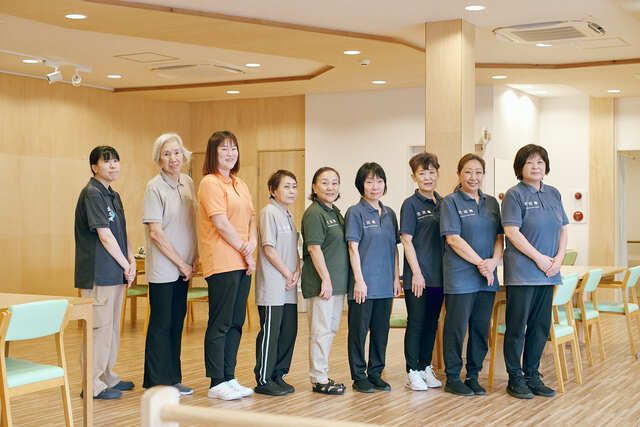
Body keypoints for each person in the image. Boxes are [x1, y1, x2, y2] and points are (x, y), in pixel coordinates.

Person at [502, 144, 568, 399]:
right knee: (517, 327)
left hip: (549, 273)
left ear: (546, 166)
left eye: (540, 162)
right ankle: (515, 378)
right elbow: (512, 232)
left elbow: (563, 229)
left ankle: (532, 375)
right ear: (520, 167)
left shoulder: (553, 193)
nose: (535, 166)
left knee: (540, 327)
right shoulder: (514, 195)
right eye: (529, 162)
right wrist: (539, 259)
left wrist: (558, 259)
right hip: (522, 272)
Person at [198, 130, 256, 401]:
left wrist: (251, 245)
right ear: (213, 153)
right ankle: (216, 381)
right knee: (220, 322)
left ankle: (229, 376)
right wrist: (244, 248)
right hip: (222, 261)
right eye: (224, 149)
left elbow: (251, 219)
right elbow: (220, 223)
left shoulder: (239, 183)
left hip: (243, 261)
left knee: (236, 322)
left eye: (234, 148)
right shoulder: (209, 183)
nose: (230, 153)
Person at [74, 146, 136, 400]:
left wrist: (130, 260)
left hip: (116, 272)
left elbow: (121, 232)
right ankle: (91, 384)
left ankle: (107, 375)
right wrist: (125, 265)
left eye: (116, 161)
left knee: (111, 329)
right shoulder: (92, 193)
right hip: (98, 274)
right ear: (94, 167)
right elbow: (105, 235)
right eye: (107, 161)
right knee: (98, 329)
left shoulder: (112, 194)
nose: (113, 165)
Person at [440, 153, 503, 397]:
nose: (473, 177)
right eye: (468, 172)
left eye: (478, 172)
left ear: (483, 175)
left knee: (480, 328)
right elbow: (453, 239)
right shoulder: (450, 202)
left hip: (486, 278)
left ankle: (473, 375)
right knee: (456, 328)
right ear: (459, 174)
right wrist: (481, 263)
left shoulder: (491, 203)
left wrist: (493, 262)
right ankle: (453, 377)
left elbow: (500, 237)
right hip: (460, 276)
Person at [142, 133, 197, 396]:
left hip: (185, 267)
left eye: (176, 152)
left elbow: (190, 224)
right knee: (161, 324)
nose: (173, 158)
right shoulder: (154, 187)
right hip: (165, 268)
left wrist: (194, 258)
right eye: (167, 154)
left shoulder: (188, 183)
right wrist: (180, 263)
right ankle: (156, 380)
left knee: (176, 323)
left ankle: (173, 377)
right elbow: (156, 233)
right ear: (159, 159)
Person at [346, 162, 401, 393]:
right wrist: (359, 281)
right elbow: (352, 247)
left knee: (381, 331)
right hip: (363, 286)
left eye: (379, 181)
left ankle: (376, 373)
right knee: (359, 332)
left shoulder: (389, 214)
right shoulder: (355, 212)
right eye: (369, 182)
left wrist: (396, 278)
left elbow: (394, 248)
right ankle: (359, 376)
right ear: (361, 185)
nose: (375, 186)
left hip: (385, 285)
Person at [301, 167, 349, 395]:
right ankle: (318, 378)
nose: (330, 187)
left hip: (337, 284)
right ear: (314, 186)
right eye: (325, 182)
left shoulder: (334, 212)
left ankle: (322, 373)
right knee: (320, 331)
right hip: (322, 285)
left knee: (330, 330)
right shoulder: (314, 213)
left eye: (334, 182)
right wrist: (326, 280)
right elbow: (313, 248)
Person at [253, 170, 300, 396]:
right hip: (273, 284)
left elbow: (294, 249)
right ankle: (264, 379)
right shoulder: (268, 212)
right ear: (273, 190)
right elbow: (269, 249)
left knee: (288, 331)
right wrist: (287, 273)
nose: (291, 191)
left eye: (294, 186)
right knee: (270, 333)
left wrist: (297, 272)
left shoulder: (289, 214)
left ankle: (278, 375)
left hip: (289, 285)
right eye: (286, 186)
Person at [400, 152, 444, 391]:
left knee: (431, 322)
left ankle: (425, 366)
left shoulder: (443, 203)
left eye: (431, 172)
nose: (427, 177)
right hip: (417, 277)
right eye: (422, 173)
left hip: (439, 277)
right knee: (416, 322)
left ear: (438, 174)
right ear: (414, 177)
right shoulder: (410, 204)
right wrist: (416, 273)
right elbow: (407, 240)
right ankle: (412, 371)